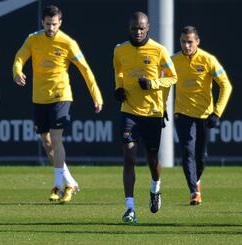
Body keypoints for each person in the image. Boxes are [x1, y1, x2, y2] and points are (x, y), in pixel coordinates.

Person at [12, 5, 103, 204]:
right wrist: (17, 72)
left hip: (61, 96)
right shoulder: (33, 39)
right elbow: (19, 57)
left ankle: (58, 185)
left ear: (60, 23)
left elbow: (85, 69)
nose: (51, 28)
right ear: (42, 23)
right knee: (46, 143)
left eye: (54, 24)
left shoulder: (68, 43)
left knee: (55, 138)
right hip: (39, 98)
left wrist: (96, 95)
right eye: (47, 24)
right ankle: (69, 181)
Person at [113, 12, 177, 224]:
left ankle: (155, 187)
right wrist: (119, 88)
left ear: (148, 27)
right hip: (129, 110)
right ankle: (129, 208)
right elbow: (118, 71)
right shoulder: (120, 50)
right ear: (128, 28)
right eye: (134, 29)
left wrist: (153, 84)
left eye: (141, 28)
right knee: (129, 156)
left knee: (152, 159)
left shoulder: (159, 50)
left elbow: (173, 77)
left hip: (152, 112)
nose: (138, 32)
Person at [172, 26, 232, 205]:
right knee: (187, 151)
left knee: (201, 156)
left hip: (205, 115)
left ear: (197, 41)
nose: (187, 45)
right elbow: (163, 84)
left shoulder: (208, 60)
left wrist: (217, 112)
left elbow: (226, 85)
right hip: (182, 114)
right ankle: (193, 192)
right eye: (183, 41)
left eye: (190, 42)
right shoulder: (173, 60)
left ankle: (196, 183)